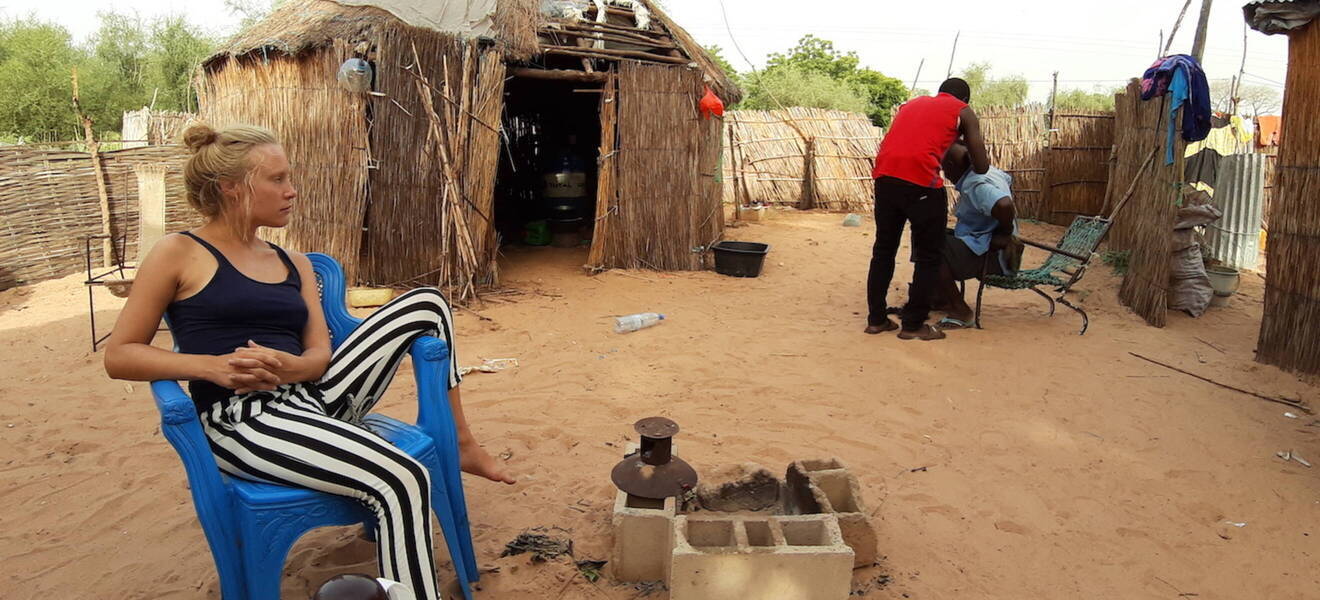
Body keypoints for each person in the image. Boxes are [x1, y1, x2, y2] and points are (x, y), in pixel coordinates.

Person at [104, 124, 514, 600]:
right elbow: (120, 355)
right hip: (242, 418)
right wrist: (211, 367)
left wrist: (291, 366)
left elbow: (320, 355)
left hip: (311, 395)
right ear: (230, 188)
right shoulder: (178, 252)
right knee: (402, 477)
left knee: (426, 303)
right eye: (277, 179)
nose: (291, 190)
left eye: (289, 177)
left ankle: (461, 441)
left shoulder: (293, 261)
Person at [866, 77, 990, 341]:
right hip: (921, 183)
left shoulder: (911, 105)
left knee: (884, 250)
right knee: (928, 256)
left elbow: (915, 140)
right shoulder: (963, 111)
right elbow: (981, 166)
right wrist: (966, 142)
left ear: (939, 93)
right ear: (965, 100)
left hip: (884, 177)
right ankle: (913, 325)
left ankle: (876, 320)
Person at [934, 142, 1022, 329]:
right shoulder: (989, 172)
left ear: (950, 166)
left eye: (943, 165)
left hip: (993, 257)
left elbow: (1004, 205)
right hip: (983, 244)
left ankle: (960, 311)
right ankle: (941, 297)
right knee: (930, 235)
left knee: (930, 247)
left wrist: (1005, 234)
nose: (942, 170)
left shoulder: (975, 184)